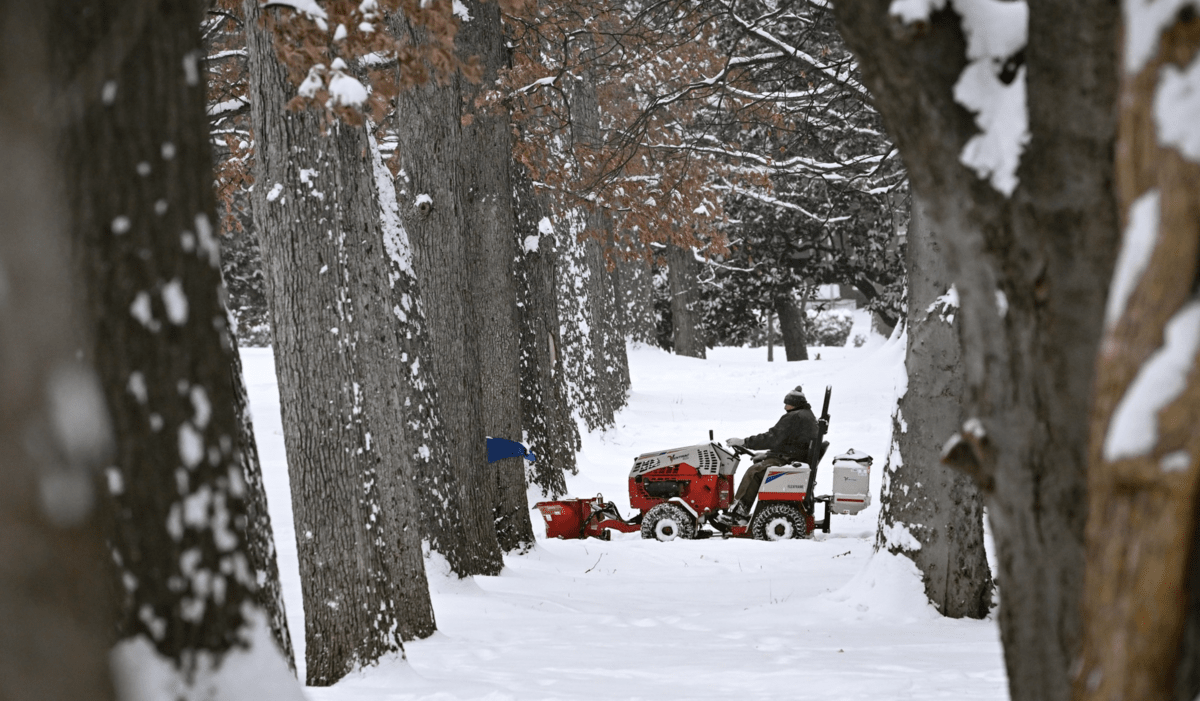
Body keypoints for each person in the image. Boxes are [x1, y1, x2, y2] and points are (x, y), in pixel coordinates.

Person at [717, 385, 819, 525]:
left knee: (754, 472)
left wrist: (744, 442)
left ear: (794, 404)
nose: (785, 407)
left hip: (790, 459)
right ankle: (740, 511)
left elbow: (772, 438)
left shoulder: (794, 417)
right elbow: (788, 442)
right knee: (757, 467)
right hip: (793, 456)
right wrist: (767, 455)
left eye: (787, 404)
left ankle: (738, 513)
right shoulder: (805, 415)